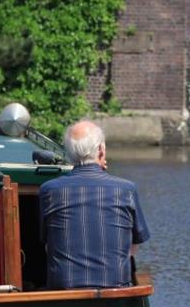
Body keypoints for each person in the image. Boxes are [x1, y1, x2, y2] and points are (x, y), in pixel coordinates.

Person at [39, 121, 151, 289]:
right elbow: (133, 245)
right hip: (115, 291)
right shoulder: (126, 189)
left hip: (64, 293)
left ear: (68, 153)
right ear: (101, 150)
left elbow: (47, 243)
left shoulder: (49, 190)